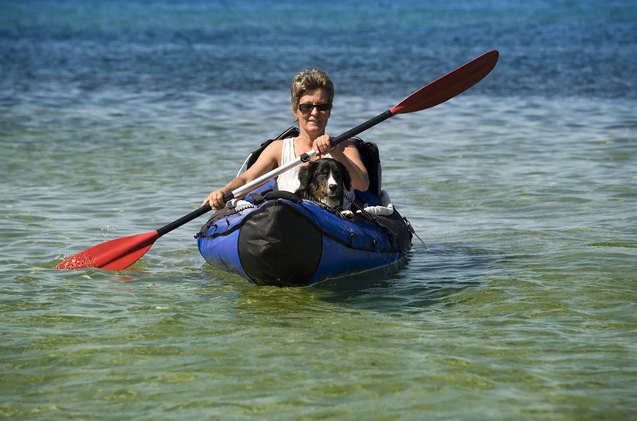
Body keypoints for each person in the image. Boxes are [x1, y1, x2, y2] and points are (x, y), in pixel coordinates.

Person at [202, 68, 369, 210]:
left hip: (333, 225)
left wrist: (335, 151)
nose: (315, 113)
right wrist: (223, 192)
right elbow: (247, 180)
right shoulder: (278, 149)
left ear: (329, 110)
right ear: (295, 110)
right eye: (306, 106)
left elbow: (362, 184)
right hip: (290, 221)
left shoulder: (345, 147)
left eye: (322, 106)